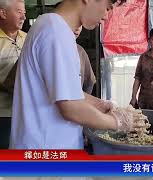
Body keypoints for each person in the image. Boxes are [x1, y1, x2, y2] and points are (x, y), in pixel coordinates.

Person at [9, 0, 137, 149]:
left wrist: (100, 104)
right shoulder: (55, 32)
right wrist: (118, 122)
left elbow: (68, 93)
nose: (106, 16)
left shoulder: (53, 27)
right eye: (108, 8)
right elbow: (70, 107)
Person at [0, 0, 26, 149]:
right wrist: (7, 86)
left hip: (26, 112)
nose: (23, 17)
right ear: (3, 13)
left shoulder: (29, 38)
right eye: (19, 12)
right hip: (3, 114)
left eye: (24, 13)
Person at [74, 26, 96, 94]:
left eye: (80, 25)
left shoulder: (80, 51)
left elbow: (91, 81)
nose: (77, 28)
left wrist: (84, 100)